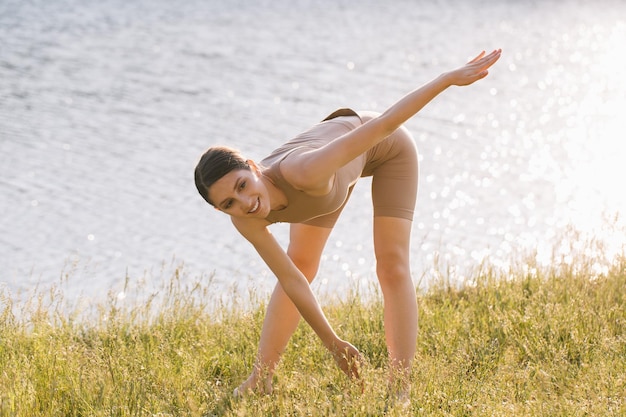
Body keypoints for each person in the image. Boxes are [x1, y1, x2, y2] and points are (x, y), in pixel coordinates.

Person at [194, 49, 502, 400]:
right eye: (229, 203)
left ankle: (399, 387)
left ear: (251, 166)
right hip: (331, 179)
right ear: (221, 210)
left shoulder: (303, 171)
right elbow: (292, 280)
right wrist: (334, 343)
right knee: (301, 264)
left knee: (391, 264)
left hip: (386, 147)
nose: (246, 203)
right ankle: (261, 378)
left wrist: (446, 78)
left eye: (242, 185)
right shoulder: (244, 219)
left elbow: (385, 124)